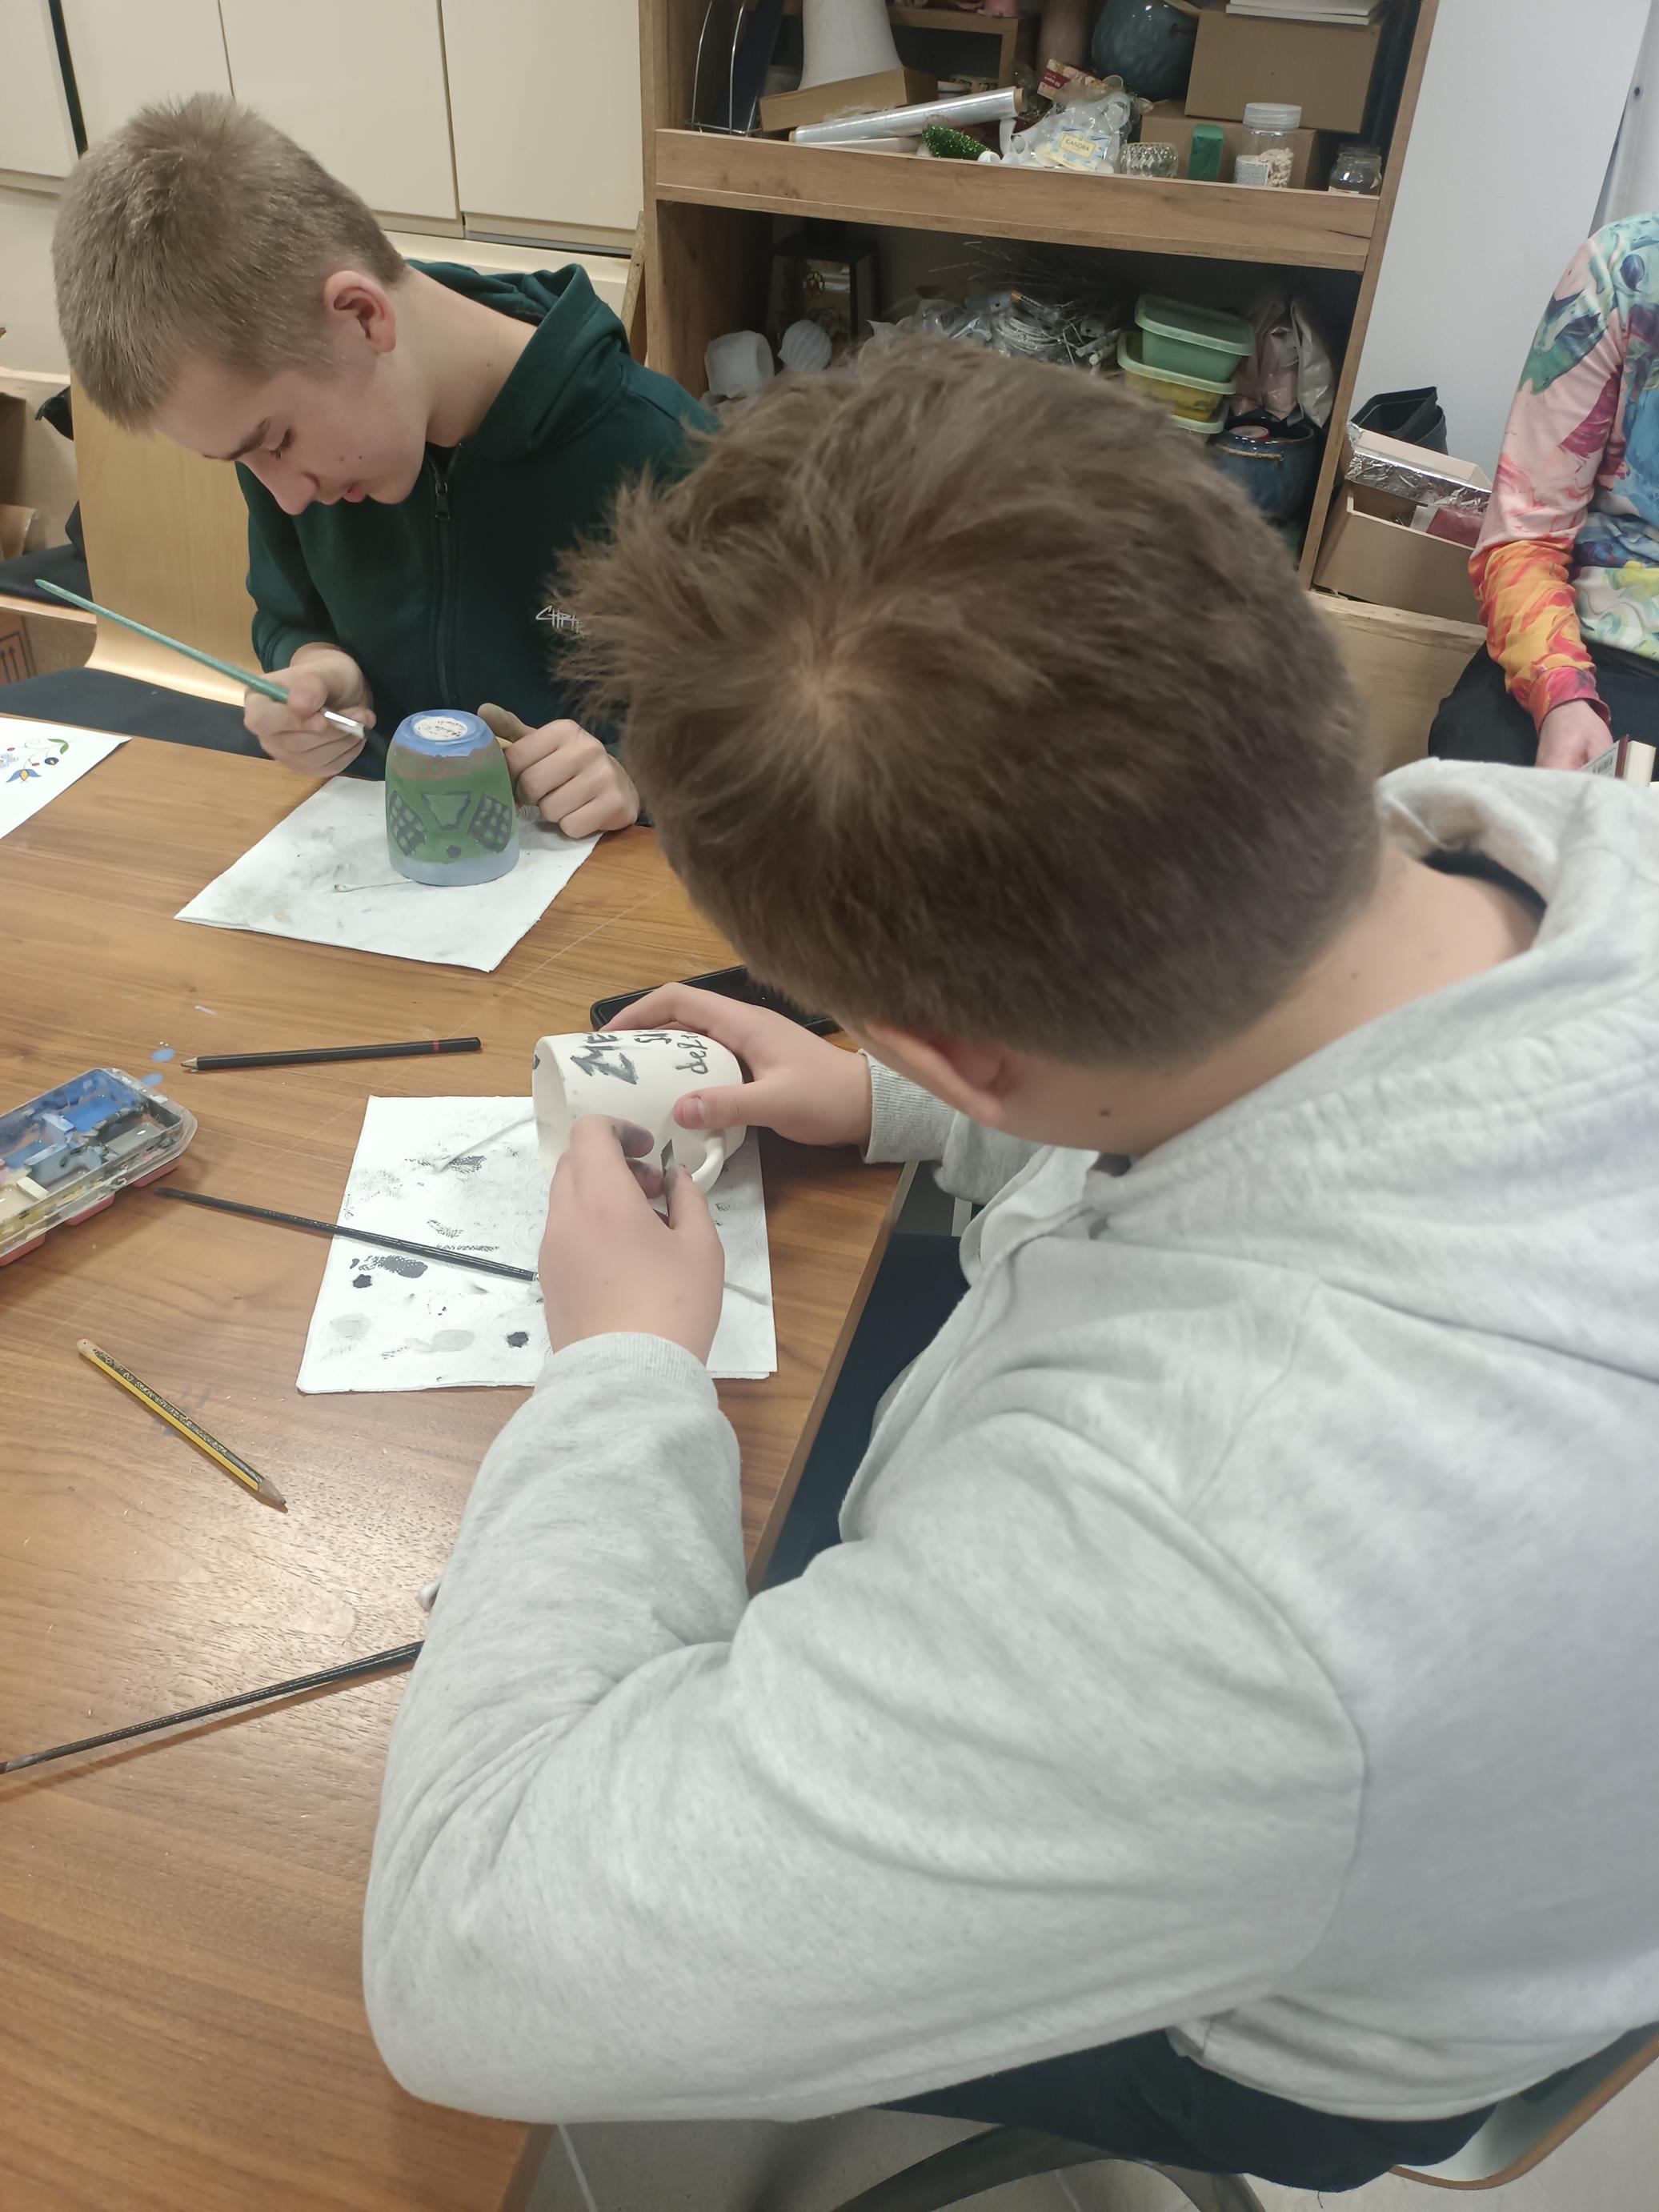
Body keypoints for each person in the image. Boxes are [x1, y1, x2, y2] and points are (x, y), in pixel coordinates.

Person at [361, 345, 1659, 2193]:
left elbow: (462, 1959)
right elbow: (1261, 1075)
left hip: (1278, 2028)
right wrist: (907, 1095)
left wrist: (622, 1368)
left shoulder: (1213, 1543)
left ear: (974, 1042)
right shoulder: (1536, 839)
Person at [51, 96, 709, 836]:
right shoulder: (295, 450)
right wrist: (322, 670)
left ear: (363, 317)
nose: (287, 498)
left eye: (277, 440)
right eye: (241, 458)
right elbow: (291, 615)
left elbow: (769, 753)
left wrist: (636, 777)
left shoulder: (672, 462)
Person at [1432, 213, 1659, 771]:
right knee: (1481, 765)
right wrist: (1562, 697)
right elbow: (1524, 537)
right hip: (1598, 650)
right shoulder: (1623, 268)